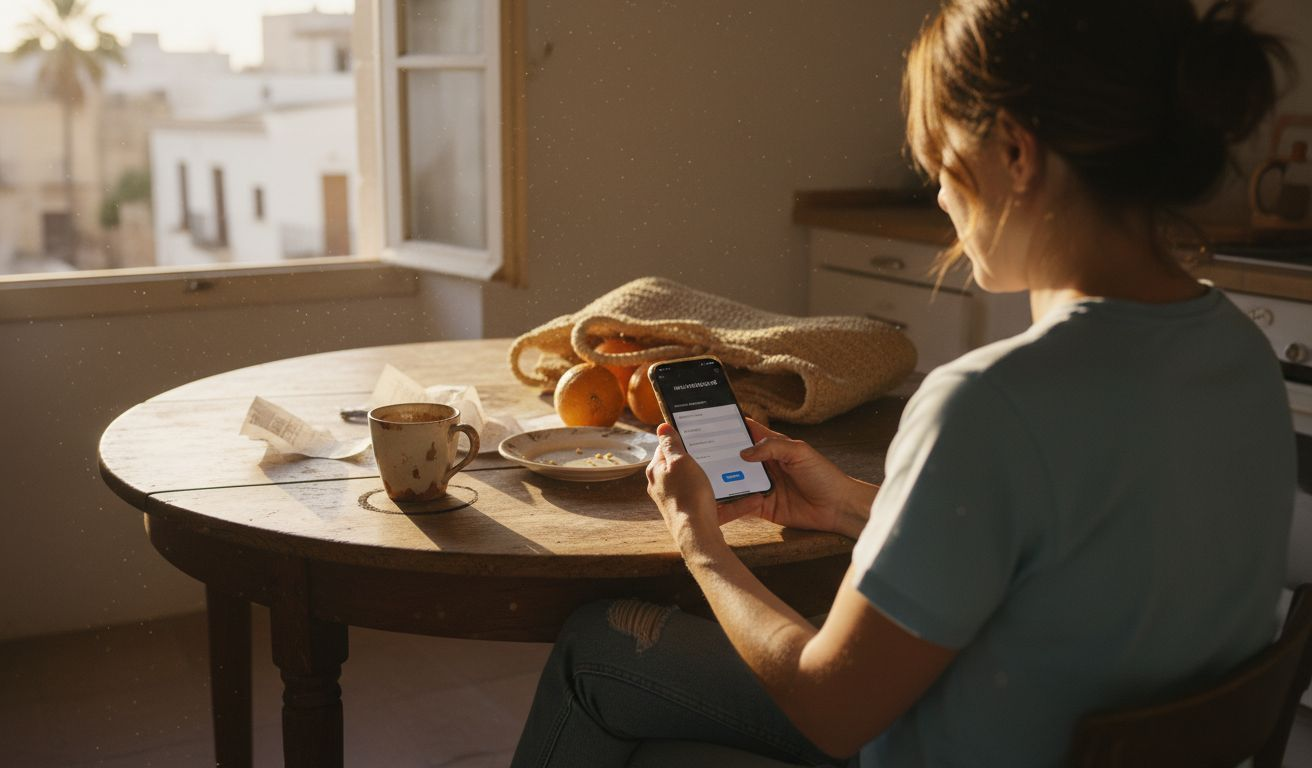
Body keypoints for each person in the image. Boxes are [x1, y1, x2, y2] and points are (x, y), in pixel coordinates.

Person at [511, 0, 1299, 765]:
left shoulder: (989, 403)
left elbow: (830, 709)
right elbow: (1082, 561)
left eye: (941, 163)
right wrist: (856, 504)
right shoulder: (1240, 356)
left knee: (599, 649)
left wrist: (699, 541)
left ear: (1016, 155)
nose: (943, 196)